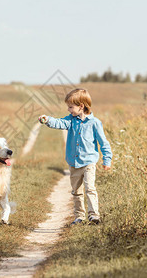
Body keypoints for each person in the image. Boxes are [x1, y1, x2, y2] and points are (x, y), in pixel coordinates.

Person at [38, 88, 112, 225]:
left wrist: (107, 159)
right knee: (76, 191)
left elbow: (103, 143)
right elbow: (59, 123)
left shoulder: (95, 123)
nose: (68, 110)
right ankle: (79, 216)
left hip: (89, 162)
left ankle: (94, 216)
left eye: (70, 107)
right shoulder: (71, 120)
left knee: (90, 188)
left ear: (81, 106)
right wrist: (48, 120)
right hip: (74, 163)